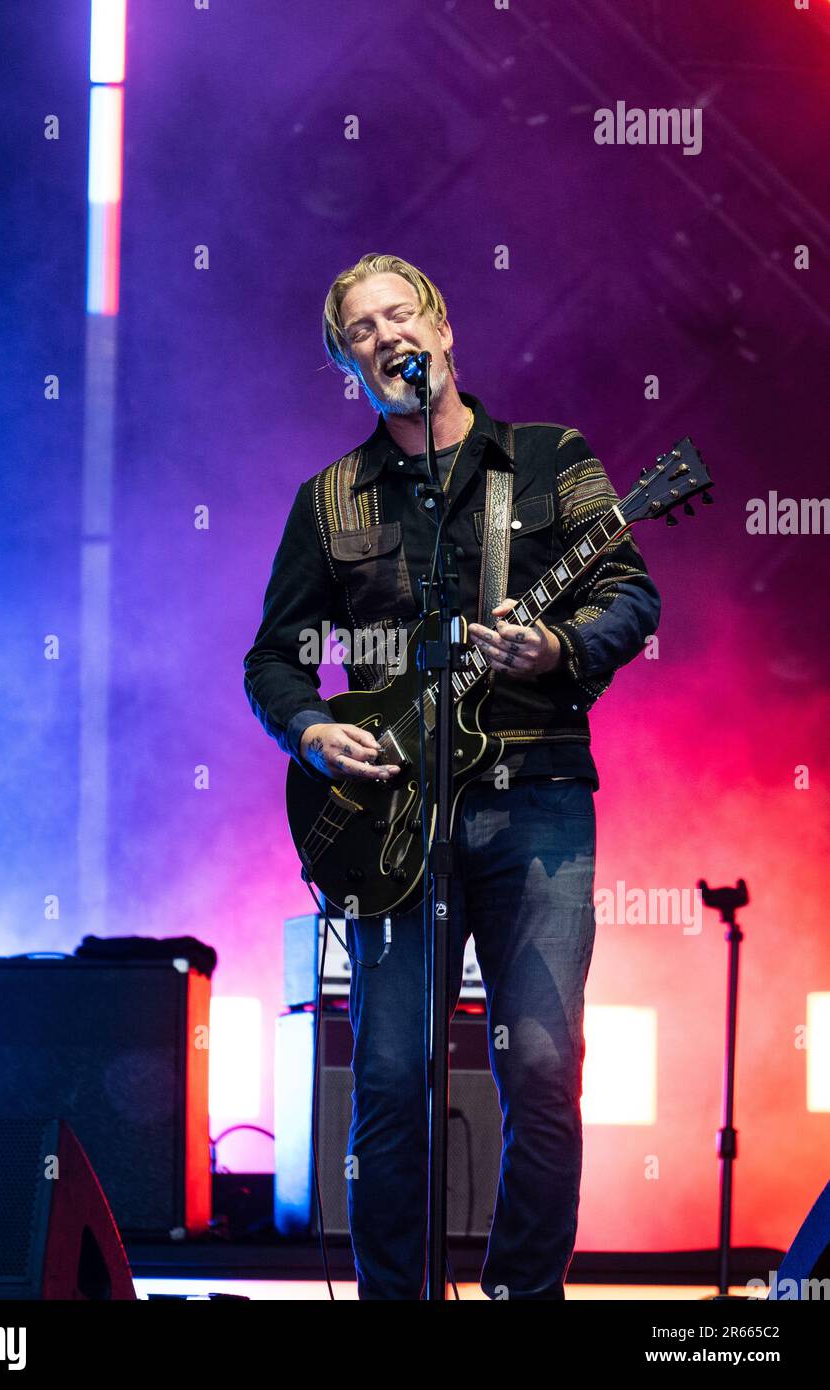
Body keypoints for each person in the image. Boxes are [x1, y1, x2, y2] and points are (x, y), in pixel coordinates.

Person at [244, 253, 661, 1299]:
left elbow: (627, 594)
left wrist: (557, 650)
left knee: (539, 1067)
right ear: (346, 363)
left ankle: (525, 1294)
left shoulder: (549, 458)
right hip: (392, 824)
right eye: (361, 329)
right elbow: (274, 656)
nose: (387, 335)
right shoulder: (330, 498)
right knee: (388, 1079)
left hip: (539, 806)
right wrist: (310, 732)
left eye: (400, 313)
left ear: (442, 323)